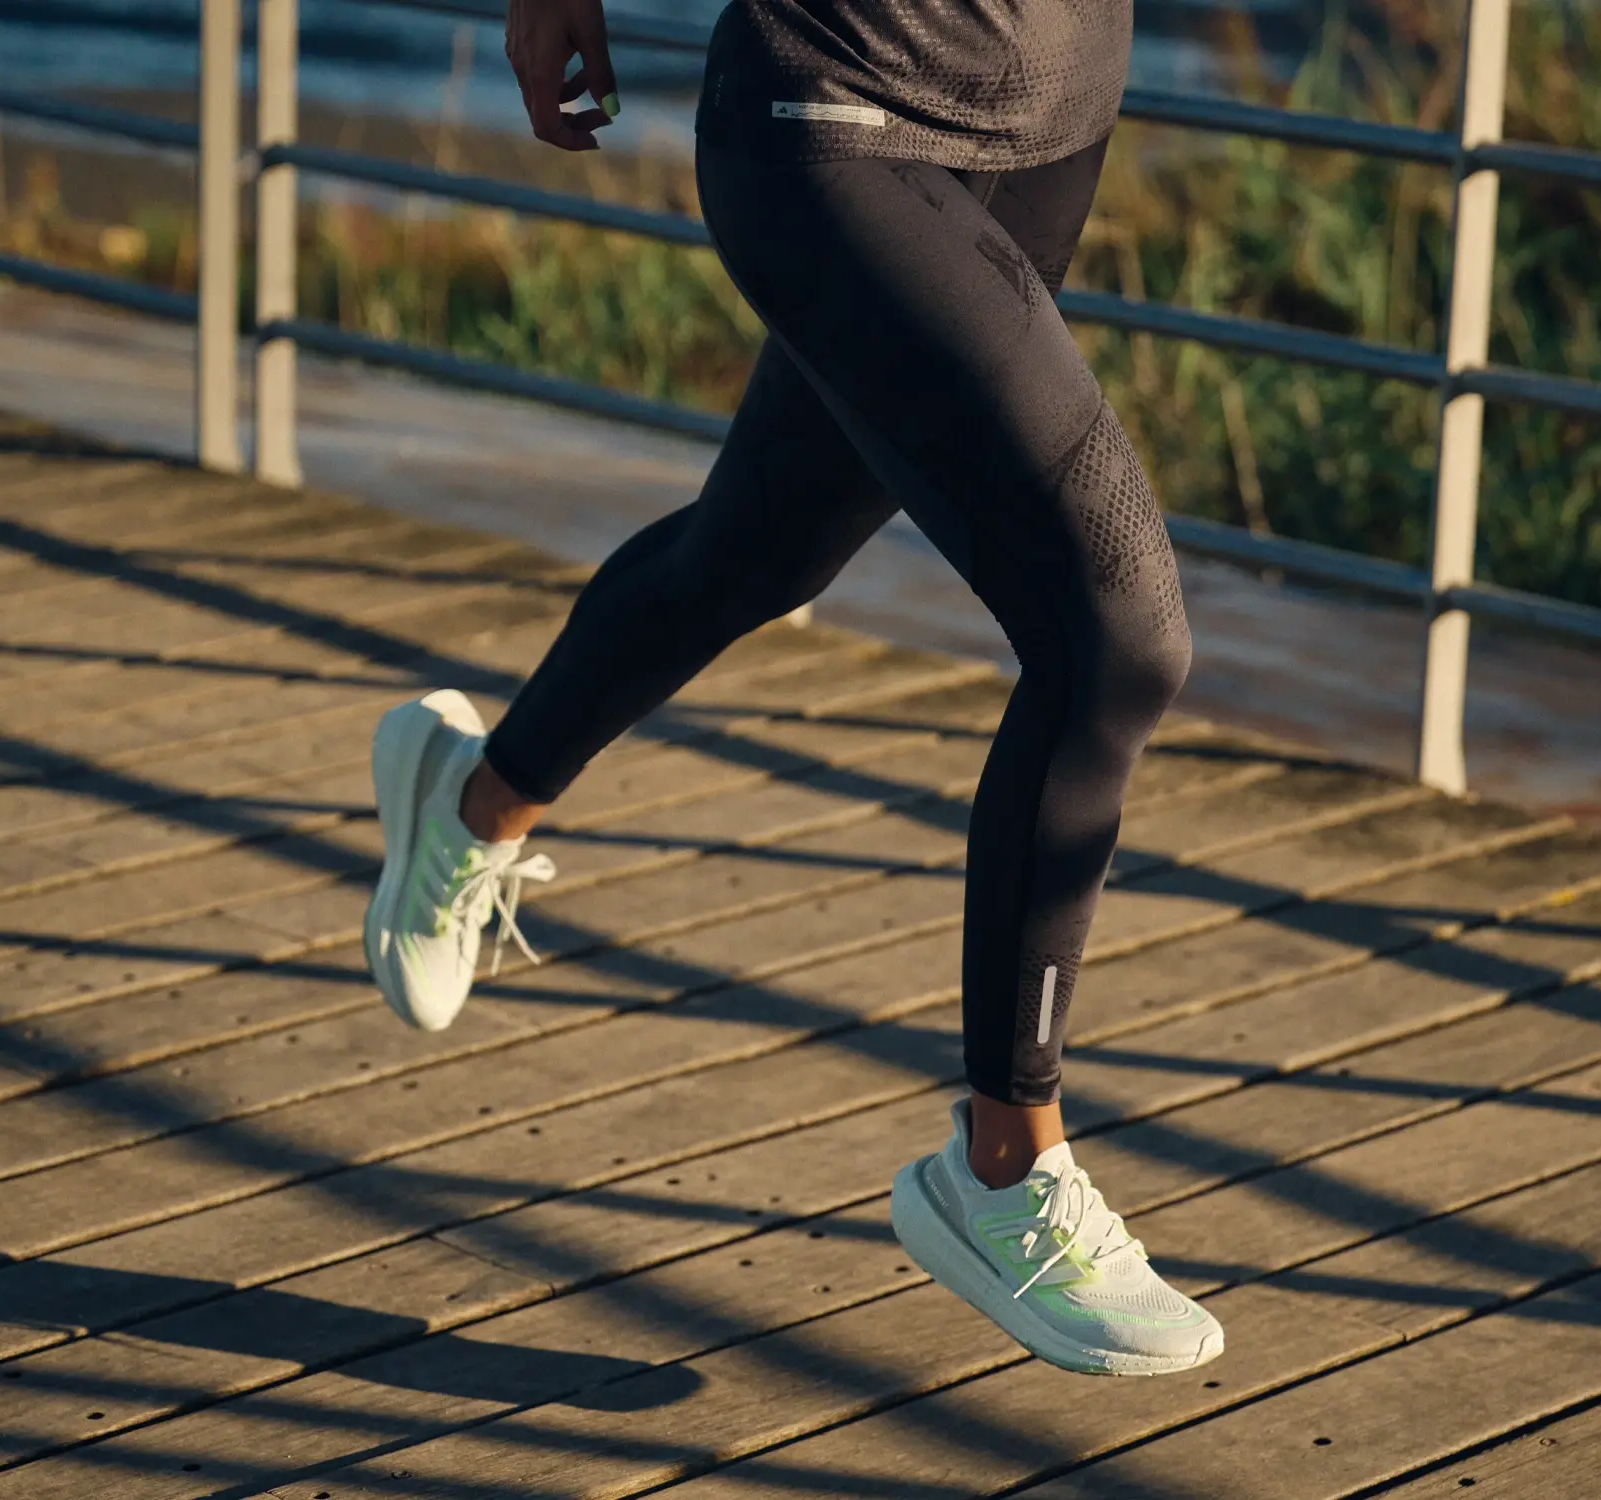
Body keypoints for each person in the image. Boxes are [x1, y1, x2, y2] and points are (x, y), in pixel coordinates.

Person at [361, 0, 1224, 1378]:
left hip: (1049, 113)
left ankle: (471, 799)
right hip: (838, 99)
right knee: (1113, 636)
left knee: (755, 550)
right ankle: (1003, 1166)